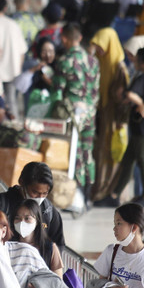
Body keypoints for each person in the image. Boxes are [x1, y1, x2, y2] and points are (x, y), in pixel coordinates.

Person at [97, 48, 144, 210]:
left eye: (136, 59)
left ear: (143, 62)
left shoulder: (143, 78)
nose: (134, 62)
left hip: (143, 126)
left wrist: (140, 104)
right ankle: (114, 195)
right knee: (128, 161)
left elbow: (130, 93)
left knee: (142, 161)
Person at [52, 22, 100, 197]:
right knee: (88, 151)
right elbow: (95, 90)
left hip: (71, 114)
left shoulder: (64, 61)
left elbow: (57, 92)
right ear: (79, 38)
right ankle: (88, 193)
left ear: (64, 39)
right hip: (90, 112)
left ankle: (76, 194)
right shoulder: (93, 61)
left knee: (76, 152)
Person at [89, 26, 130, 200]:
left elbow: (124, 99)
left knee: (111, 155)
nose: (98, 50)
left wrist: (121, 119)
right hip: (104, 116)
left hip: (115, 120)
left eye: (100, 45)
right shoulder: (101, 63)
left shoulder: (119, 68)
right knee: (101, 153)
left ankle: (107, 191)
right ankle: (99, 190)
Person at [0, 161, 65, 248]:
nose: (40, 197)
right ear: (22, 182)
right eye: (35, 192)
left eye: (45, 193)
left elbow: (58, 244)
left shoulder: (48, 211)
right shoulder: (1, 204)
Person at [12, 199, 63, 277]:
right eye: (17, 218)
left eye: (27, 218)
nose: (21, 222)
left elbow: (58, 283)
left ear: (37, 221)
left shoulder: (49, 248)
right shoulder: (8, 246)